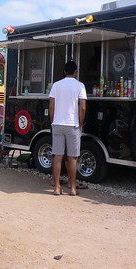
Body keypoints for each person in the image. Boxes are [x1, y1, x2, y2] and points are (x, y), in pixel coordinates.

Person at [48, 60, 87, 196]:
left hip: (58, 124)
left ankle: (57, 187)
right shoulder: (80, 86)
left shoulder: (56, 85)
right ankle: (72, 188)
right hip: (73, 125)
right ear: (76, 72)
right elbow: (82, 107)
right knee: (72, 157)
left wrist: (53, 121)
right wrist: (80, 123)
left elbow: (51, 106)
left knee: (57, 156)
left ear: (64, 71)